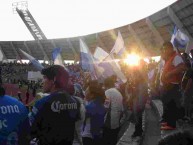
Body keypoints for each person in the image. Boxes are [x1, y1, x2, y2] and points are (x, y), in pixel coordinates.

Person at [30, 65, 81, 145]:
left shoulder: (42, 103)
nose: (42, 81)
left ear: (54, 80)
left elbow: (31, 130)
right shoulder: (76, 101)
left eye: (45, 78)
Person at [161, 42, 187, 130]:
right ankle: (168, 122)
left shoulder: (176, 57)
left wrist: (169, 74)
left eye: (165, 49)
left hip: (173, 85)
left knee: (171, 105)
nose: (164, 51)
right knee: (168, 103)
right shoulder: (169, 58)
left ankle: (171, 124)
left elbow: (182, 68)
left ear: (170, 48)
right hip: (168, 85)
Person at [82, 80, 106, 145]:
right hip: (97, 136)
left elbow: (82, 122)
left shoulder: (89, 107)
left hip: (87, 137)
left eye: (87, 91)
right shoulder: (101, 105)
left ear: (92, 95)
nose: (85, 93)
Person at [103, 77, 124, 145]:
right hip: (117, 119)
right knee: (114, 139)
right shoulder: (118, 92)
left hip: (109, 120)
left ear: (106, 84)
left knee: (107, 139)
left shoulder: (108, 92)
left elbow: (106, 107)